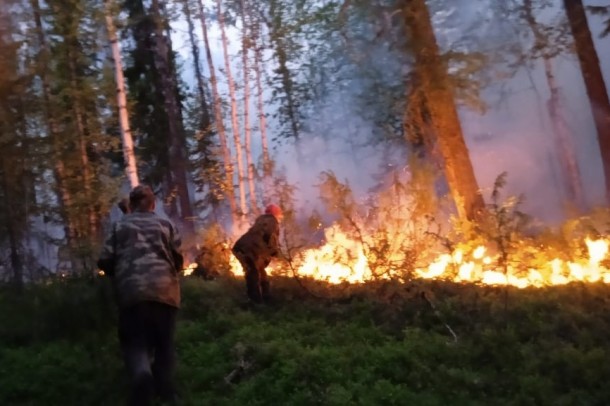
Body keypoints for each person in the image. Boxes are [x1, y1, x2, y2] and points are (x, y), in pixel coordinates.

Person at [97, 185, 183, 406]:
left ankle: (142, 375)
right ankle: (166, 391)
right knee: (164, 344)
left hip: (132, 294)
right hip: (165, 294)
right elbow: (179, 260)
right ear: (153, 204)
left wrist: (118, 274)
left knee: (135, 343)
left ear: (131, 205)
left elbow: (105, 260)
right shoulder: (166, 224)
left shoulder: (119, 226)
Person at [232, 204, 283, 304]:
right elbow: (270, 236)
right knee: (253, 274)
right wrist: (276, 253)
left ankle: (266, 298)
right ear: (276, 214)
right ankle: (256, 303)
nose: (280, 217)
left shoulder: (260, 221)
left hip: (240, 248)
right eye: (279, 215)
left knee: (259, 272)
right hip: (251, 251)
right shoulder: (272, 221)